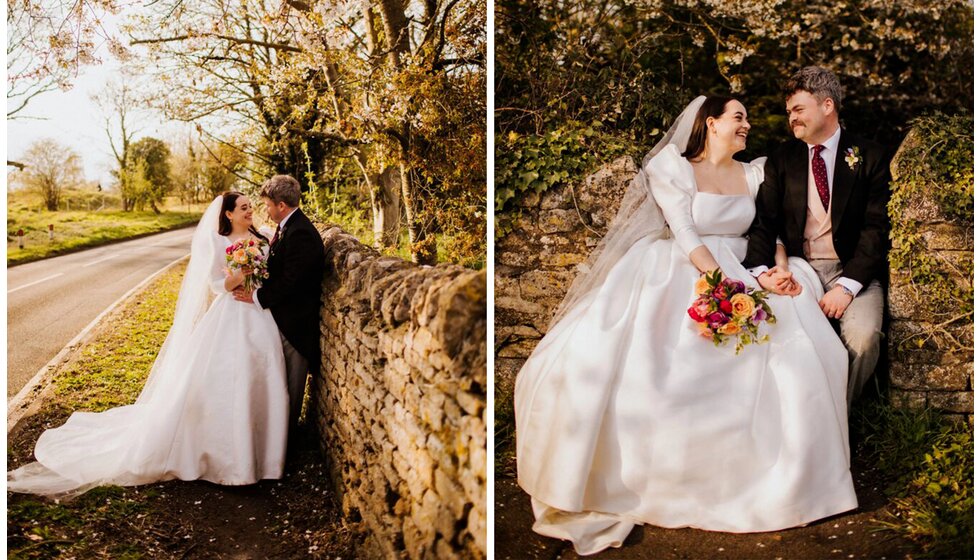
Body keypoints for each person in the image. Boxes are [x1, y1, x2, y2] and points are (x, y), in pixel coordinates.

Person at [514, 96, 857, 556]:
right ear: (710, 123)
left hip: (747, 262)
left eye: (747, 118)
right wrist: (723, 284)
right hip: (685, 264)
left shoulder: (755, 172)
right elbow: (684, 231)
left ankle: (788, 474)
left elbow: (769, 228)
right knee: (664, 364)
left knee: (799, 341)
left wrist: (776, 272)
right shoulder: (672, 167)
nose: (747, 125)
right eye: (739, 117)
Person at [8, 192, 289, 499]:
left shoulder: (263, 235)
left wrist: (258, 279)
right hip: (230, 314)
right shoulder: (217, 241)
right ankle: (225, 459)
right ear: (228, 215)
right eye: (244, 208)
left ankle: (264, 457)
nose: (251, 211)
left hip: (260, 315)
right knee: (223, 382)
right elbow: (212, 284)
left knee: (262, 376)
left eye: (251, 206)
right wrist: (237, 278)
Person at [744, 66, 890, 411]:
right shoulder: (782, 159)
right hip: (799, 269)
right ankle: (795, 416)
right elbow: (765, 222)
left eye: (798, 109)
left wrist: (849, 285)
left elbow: (877, 227)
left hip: (854, 270)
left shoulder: (870, 155)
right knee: (784, 337)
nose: (791, 118)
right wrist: (760, 271)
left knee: (864, 338)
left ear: (827, 106)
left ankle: (837, 416)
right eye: (788, 112)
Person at [233, 175, 324, 430]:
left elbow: (291, 281)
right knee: (279, 385)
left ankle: (287, 442)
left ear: (281, 205)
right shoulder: (289, 227)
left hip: (296, 326)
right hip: (283, 319)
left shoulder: (301, 233)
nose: (265, 210)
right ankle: (276, 437)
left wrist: (256, 296)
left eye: (268, 205)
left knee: (291, 390)